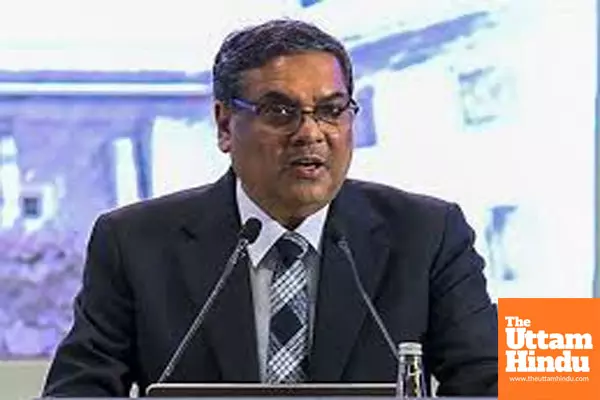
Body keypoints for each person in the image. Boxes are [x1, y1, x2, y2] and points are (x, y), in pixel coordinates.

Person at [42, 18, 498, 397]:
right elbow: (78, 390)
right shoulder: (134, 242)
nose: (310, 133)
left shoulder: (430, 234)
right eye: (280, 112)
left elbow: (495, 383)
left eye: (331, 110)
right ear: (225, 125)